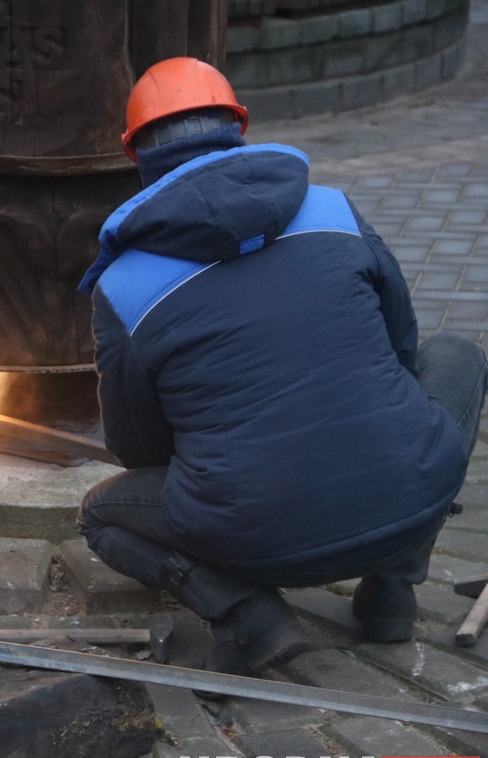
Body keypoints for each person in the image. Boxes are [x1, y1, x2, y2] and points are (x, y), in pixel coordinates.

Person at [76, 57, 488, 678]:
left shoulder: (124, 285)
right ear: (238, 125)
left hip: (258, 544)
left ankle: (250, 618)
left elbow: (136, 446)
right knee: (458, 356)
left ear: (134, 153)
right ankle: (394, 587)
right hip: (407, 500)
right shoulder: (334, 211)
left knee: (103, 513)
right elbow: (402, 350)